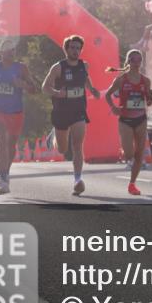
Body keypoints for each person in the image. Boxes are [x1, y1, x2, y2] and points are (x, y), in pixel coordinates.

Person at [0, 40, 39, 194]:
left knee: (11, 145)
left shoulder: (21, 68)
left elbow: (34, 89)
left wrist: (24, 85)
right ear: (1, 52)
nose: (11, 52)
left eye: (13, 50)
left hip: (15, 111)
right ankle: (2, 179)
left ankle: (6, 173)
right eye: (7, 50)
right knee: (2, 140)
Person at [42, 34, 101, 196]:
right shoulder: (58, 67)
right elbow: (45, 87)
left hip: (78, 110)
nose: (76, 51)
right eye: (72, 48)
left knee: (77, 145)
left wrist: (92, 89)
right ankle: (55, 134)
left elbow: (85, 79)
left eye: (78, 48)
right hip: (61, 111)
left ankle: (77, 179)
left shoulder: (84, 66)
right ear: (66, 49)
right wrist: (57, 93)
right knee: (62, 149)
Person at [105, 49, 152, 196]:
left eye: (139, 60)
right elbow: (108, 95)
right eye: (134, 59)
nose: (137, 62)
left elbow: (148, 102)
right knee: (129, 155)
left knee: (139, 154)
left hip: (141, 119)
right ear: (128, 61)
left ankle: (132, 184)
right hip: (125, 120)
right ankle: (124, 151)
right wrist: (113, 107)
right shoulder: (121, 79)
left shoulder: (145, 80)